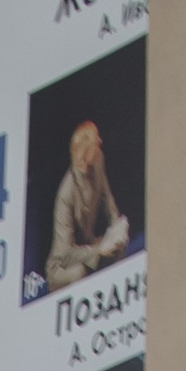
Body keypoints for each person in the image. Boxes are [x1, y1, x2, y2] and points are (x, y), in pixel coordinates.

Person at [47, 119, 131, 287]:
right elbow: (65, 253)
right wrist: (98, 250)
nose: (100, 141)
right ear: (85, 150)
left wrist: (116, 228)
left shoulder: (98, 159)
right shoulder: (67, 192)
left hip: (88, 245)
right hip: (63, 264)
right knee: (79, 272)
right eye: (96, 139)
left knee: (119, 247)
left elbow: (107, 199)